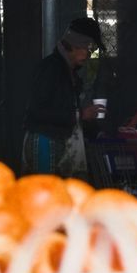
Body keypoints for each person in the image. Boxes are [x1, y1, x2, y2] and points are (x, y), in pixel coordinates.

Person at [22, 16, 104, 176]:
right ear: (77, 45)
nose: (89, 53)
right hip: (45, 143)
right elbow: (37, 111)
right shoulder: (51, 69)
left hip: (55, 143)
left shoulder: (67, 72)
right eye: (89, 47)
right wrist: (80, 115)